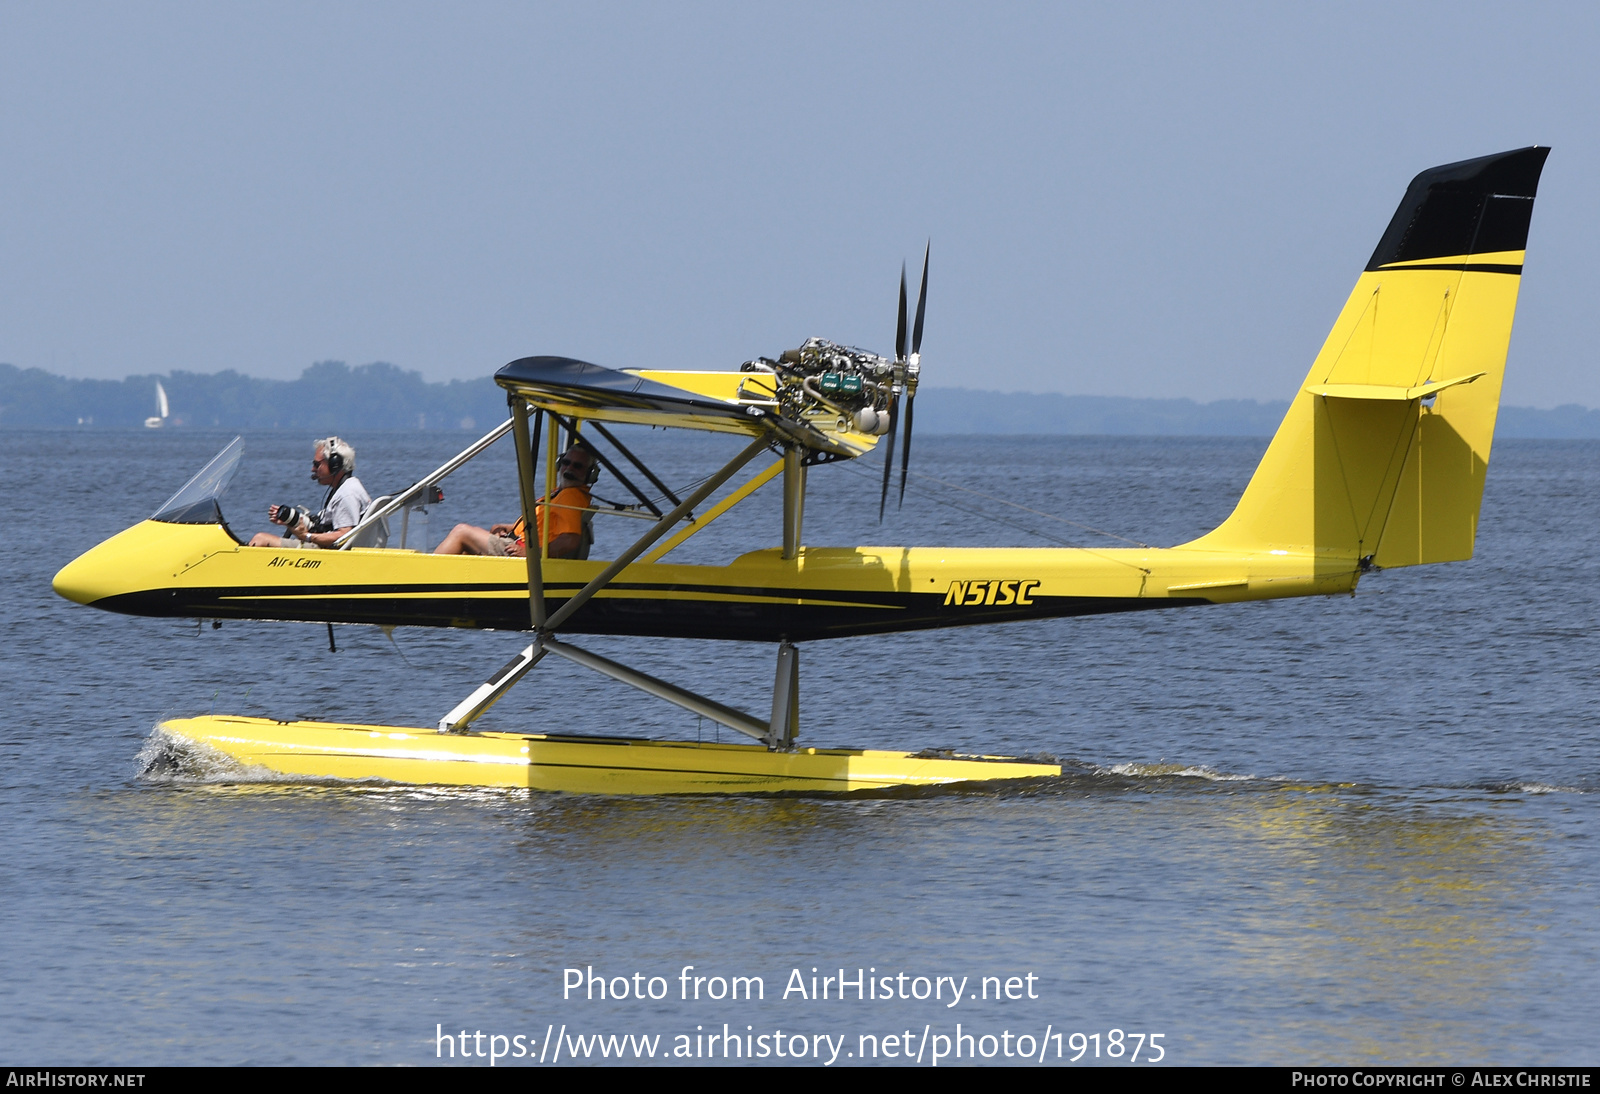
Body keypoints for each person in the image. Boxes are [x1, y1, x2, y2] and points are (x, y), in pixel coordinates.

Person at [434, 444, 596, 559]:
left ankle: (422, 581)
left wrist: (532, 554)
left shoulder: (570, 497)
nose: (569, 469)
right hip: (519, 544)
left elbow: (570, 540)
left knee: (461, 532)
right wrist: (509, 528)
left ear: (589, 474)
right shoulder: (563, 494)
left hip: (525, 552)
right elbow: (543, 526)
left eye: (577, 466)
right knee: (466, 550)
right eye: (566, 463)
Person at [249, 437, 372, 549]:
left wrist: (307, 536)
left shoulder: (347, 494)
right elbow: (326, 527)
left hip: (328, 555)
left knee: (260, 540)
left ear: (334, 465)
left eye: (316, 464)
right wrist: (291, 521)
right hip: (328, 550)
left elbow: (344, 536)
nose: (313, 469)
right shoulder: (348, 486)